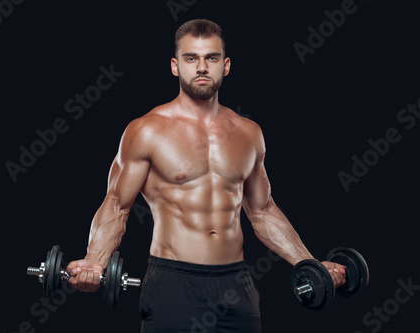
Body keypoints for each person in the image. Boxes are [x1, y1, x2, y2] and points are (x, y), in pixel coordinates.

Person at [66, 19, 346, 332]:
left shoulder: (249, 133)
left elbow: (262, 211)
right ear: (175, 66)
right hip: (173, 283)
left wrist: (309, 263)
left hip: (236, 284)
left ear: (225, 66)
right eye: (191, 58)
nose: (202, 67)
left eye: (211, 58)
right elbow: (117, 205)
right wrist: (95, 261)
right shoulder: (146, 130)